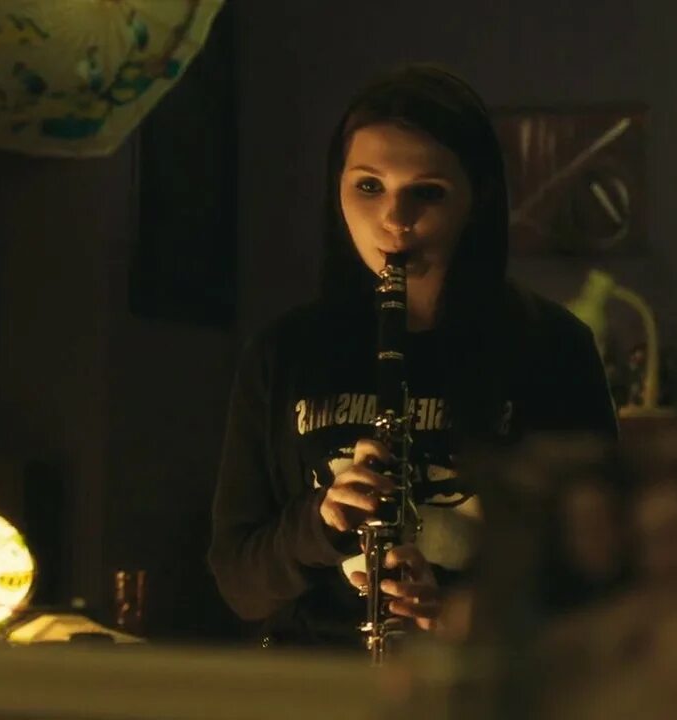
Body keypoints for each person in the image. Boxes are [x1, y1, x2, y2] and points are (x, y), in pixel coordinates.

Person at [207, 64, 618, 649]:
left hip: (477, 682)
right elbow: (238, 584)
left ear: (476, 199)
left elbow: (598, 572)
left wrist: (455, 608)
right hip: (311, 680)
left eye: (427, 192)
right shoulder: (284, 352)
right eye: (368, 187)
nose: (395, 221)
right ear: (337, 190)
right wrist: (320, 521)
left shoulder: (552, 347)